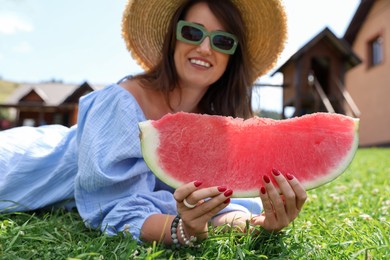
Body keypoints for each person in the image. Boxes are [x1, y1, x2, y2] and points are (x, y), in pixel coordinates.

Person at [0, 0, 307, 247]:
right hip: (26, 163)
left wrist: (261, 224)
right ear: (173, 38)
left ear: (232, 56)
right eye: (192, 33)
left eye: (222, 40)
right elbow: (116, 208)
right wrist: (181, 230)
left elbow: (216, 208)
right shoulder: (122, 102)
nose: (204, 48)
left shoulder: (216, 127)